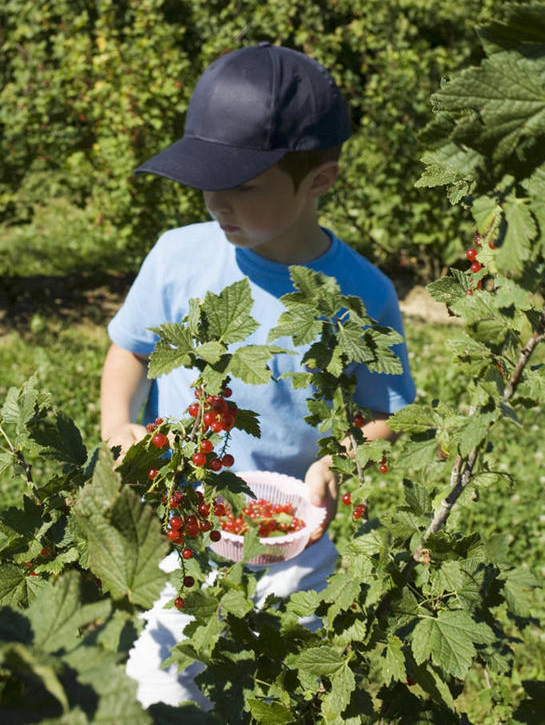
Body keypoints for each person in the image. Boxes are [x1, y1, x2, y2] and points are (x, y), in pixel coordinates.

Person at [100, 42, 416, 709]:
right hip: (183, 522)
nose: (218, 201)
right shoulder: (176, 258)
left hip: (294, 538)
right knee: (162, 684)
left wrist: (340, 457)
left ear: (318, 181)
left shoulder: (362, 292)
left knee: (282, 685)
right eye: (208, 181)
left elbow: (382, 410)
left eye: (244, 185)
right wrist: (118, 426)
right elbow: (128, 350)